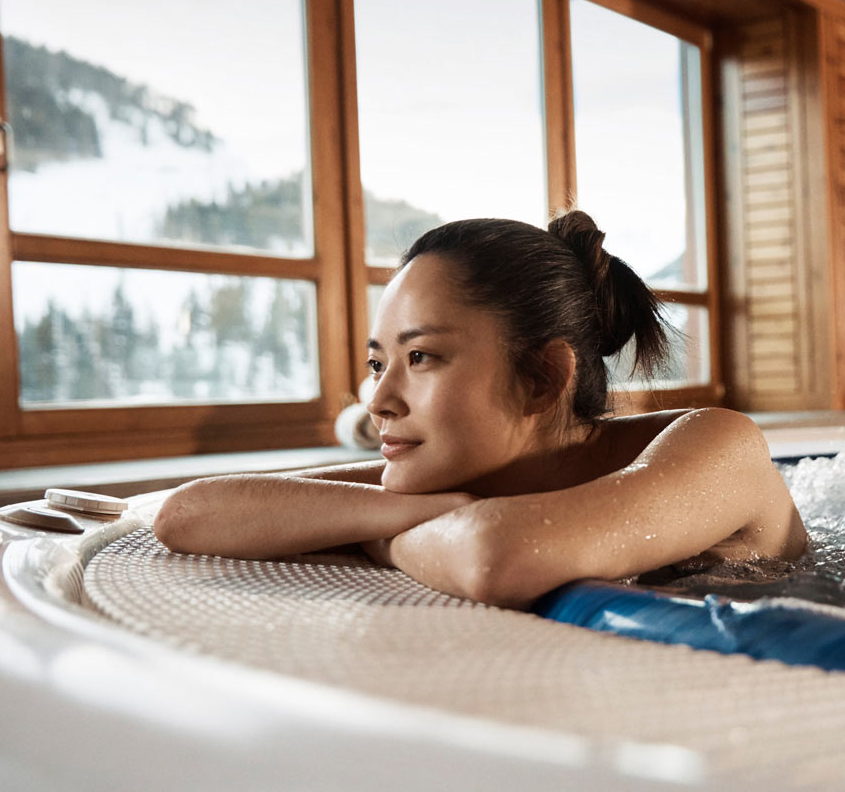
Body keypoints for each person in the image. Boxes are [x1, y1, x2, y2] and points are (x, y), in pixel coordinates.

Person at [154, 212, 808, 608]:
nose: (379, 400)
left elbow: (500, 556)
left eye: (422, 358)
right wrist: (420, 515)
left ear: (542, 379)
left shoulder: (720, 444)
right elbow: (188, 515)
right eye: (378, 362)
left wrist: (375, 529)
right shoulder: (462, 478)